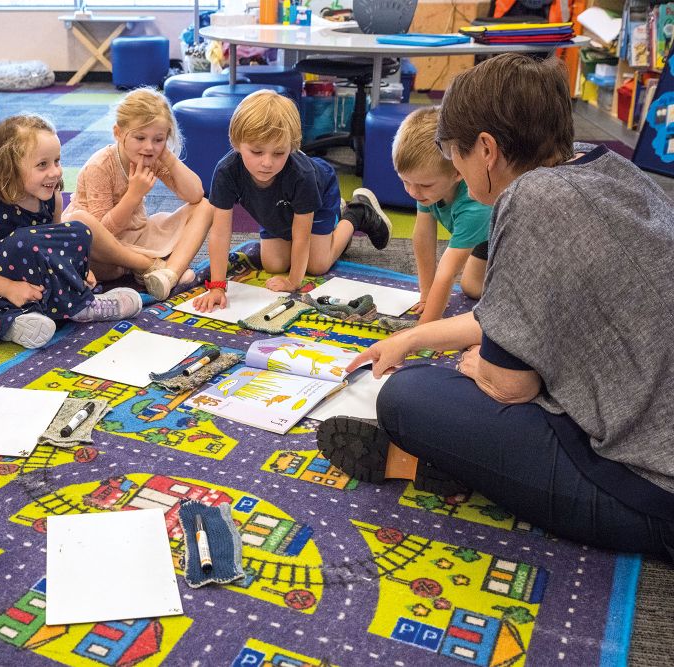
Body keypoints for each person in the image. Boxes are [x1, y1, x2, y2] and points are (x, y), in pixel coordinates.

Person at [317, 54, 674, 560]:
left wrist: (481, 369)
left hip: (651, 488)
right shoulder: (611, 166)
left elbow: (510, 386)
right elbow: (508, 313)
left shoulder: (529, 200)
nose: (454, 167)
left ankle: (432, 467)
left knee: (405, 397)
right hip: (650, 413)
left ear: (486, 148)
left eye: (452, 153)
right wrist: (410, 337)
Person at [0, 114, 143, 349]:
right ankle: (28, 318)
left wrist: (79, 270)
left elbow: (57, 243)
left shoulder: (52, 196)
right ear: (9, 167)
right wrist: (8, 288)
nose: (55, 172)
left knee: (79, 231)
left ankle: (46, 313)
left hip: (37, 288)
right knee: (26, 240)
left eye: (57, 161)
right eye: (42, 165)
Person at [193, 90, 392, 313]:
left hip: (319, 192)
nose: (267, 163)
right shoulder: (226, 171)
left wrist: (293, 282)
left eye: (279, 153)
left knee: (317, 265)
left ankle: (357, 212)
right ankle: (333, 225)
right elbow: (220, 232)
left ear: (292, 146)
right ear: (237, 143)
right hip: (274, 207)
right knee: (274, 265)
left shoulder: (303, 175)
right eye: (257, 152)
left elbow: (301, 235)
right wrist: (218, 287)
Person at [62, 87, 213, 301]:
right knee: (79, 221)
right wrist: (133, 195)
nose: (149, 147)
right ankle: (150, 266)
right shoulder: (100, 166)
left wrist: (167, 156)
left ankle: (169, 274)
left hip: (138, 237)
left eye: (158, 139)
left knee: (205, 206)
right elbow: (103, 233)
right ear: (118, 133)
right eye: (140, 138)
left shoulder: (153, 156)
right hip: (105, 252)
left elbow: (195, 194)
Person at [393, 106, 491, 327]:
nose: (413, 192)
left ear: (457, 172)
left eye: (424, 185)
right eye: (405, 181)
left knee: (492, 295)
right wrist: (426, 292)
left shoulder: (475, 206)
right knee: (471, 287)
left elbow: (447, 271)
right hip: (484, 237)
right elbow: (423, 237)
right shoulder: (428, 187)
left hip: (515, 242)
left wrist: (422, 330)